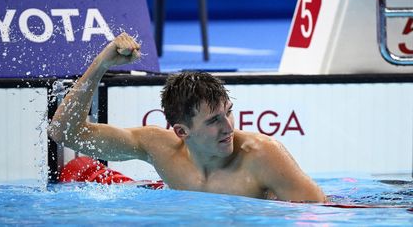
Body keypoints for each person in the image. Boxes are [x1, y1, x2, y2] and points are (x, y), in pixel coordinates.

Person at [48, 32, 326, 202]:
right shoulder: (160, 148)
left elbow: (317, 212)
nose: (228, 127)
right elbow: (64, 133)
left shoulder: (261, 155)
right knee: (78, 171)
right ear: (182, 131)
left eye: (228, 113)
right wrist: (102, 65)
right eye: (214, 120)